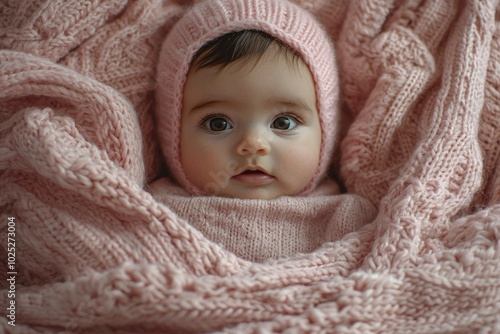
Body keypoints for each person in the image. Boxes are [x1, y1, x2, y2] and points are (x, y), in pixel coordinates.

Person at [155, 0, 340, 200]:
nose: (253, 143)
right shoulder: (148, 210)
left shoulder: (347, 217)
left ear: (324, 131)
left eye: (283, 123)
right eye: (218, 124)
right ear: (173, 134)